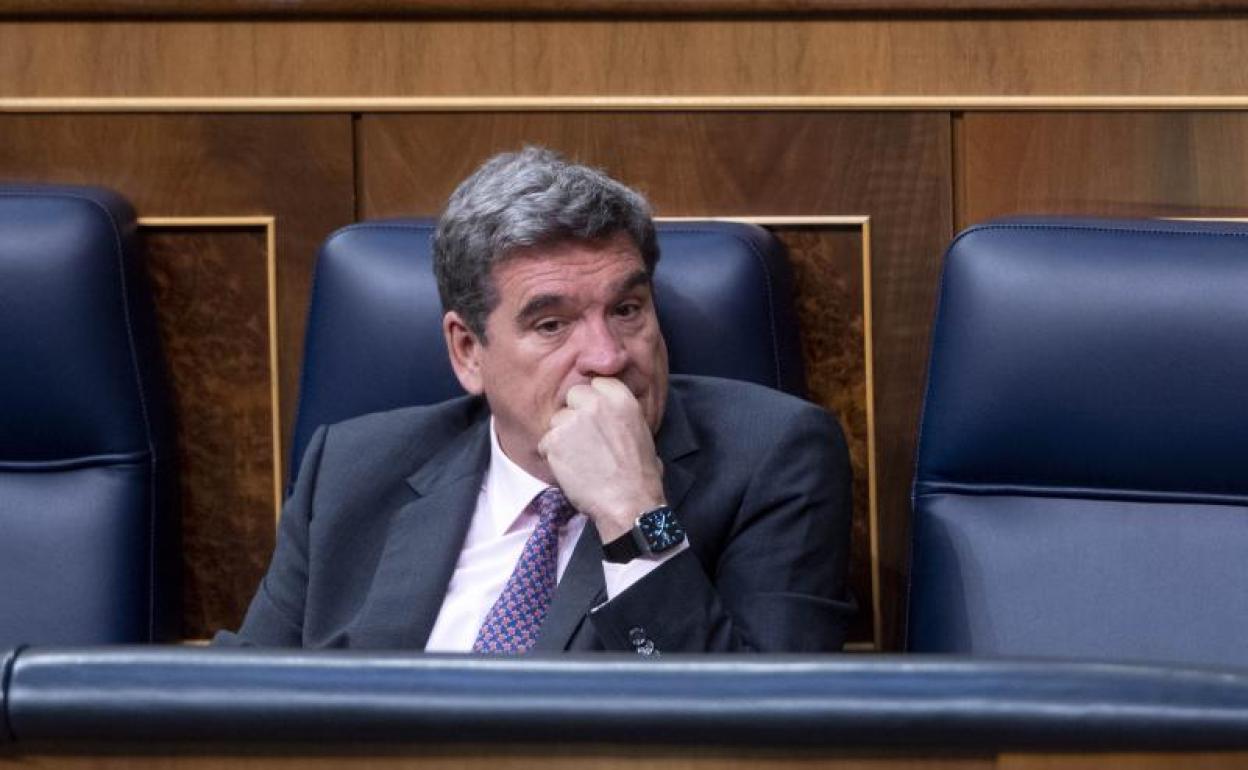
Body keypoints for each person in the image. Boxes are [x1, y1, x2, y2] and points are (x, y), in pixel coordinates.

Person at [217, 147, 854, 653]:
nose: (607, 357)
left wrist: (635, 516)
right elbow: (241, 705)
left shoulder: (773, 459)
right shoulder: (352, 471)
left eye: (628, 309)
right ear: (468, 350)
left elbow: (759, 732)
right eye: (552, 325)